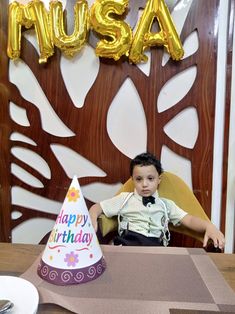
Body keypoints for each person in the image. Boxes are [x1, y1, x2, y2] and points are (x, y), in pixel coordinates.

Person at [89, 152, 225, 249]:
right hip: (127, 245)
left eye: (150, 178)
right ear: (132, 180)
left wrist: (209, 226)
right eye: (139, 179)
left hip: (155, 248)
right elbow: (98, 207)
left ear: (159, 180)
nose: (144, 184)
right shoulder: (125, 199)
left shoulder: (166, 205)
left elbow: (189, 220)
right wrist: (92, 217)